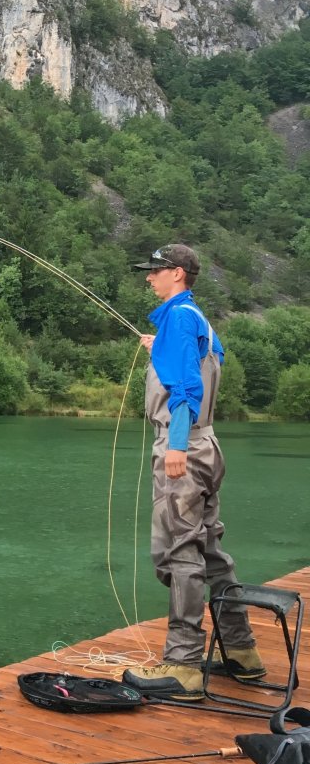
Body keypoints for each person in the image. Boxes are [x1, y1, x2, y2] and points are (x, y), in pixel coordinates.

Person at [121, 243, 263, 701]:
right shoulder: (195, 320)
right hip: (209, 446)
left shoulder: (180, 318)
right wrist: (157, 345)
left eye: (155, 272)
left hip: (184, 445)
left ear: (177, 274)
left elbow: (187, 387)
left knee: (179, 553)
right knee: (210, 550)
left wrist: (176, 446)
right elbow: (201, 361)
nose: (149, 278)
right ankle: (241, 651)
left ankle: (183, 665)